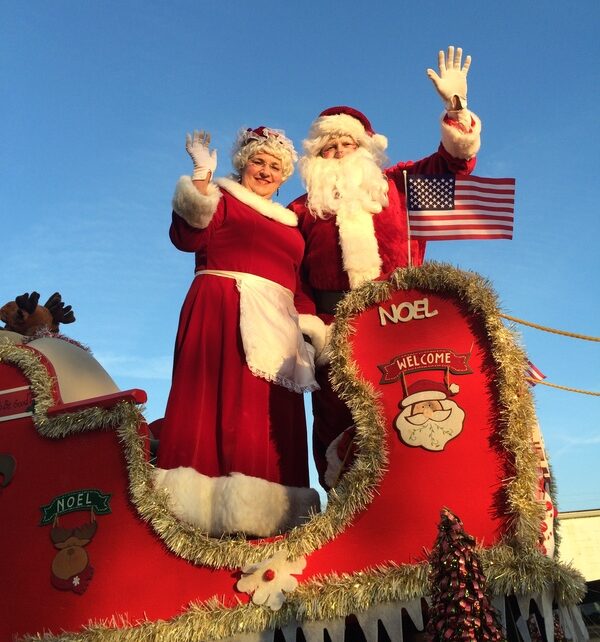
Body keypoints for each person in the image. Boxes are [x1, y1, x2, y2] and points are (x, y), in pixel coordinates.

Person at [289, 46, 482, 488]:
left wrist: (456, 108)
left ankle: (425, 500)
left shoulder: (400, 185)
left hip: (402, 324)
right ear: (316, 158)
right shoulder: (301, 209)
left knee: (412, 414)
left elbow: (456, 164)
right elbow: (291, 275)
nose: (339, 152)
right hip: (333, 330)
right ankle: (348, 517)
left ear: (365, 148)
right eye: (329, 146)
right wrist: (311, 327)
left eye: (347, 143)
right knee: (339, 423)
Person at [157, 126, 320, 498]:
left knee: (269, 412)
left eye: (275, 167)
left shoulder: (291, 227)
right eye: (258, 162)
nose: (265, 171)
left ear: (284, 177)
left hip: (279, 325)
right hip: (223, 310)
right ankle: (201, 504)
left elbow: (299, 286)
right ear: (243, 164)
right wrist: (201, 178)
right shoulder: (222, 199)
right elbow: (187, 238)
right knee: (222, 402)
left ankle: (273, 508)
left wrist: (309, 331)